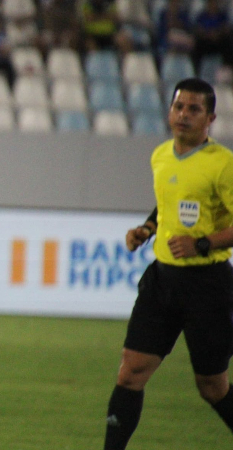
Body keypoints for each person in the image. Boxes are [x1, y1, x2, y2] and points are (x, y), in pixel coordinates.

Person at [104, 78, 233, 449]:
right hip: (161, 281)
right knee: (130, 373)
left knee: (212, 388)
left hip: (208, 286)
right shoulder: (160, 155)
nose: (184, 115)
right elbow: (169, 204)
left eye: (194, 109)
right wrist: (147, 227)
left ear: (210, 117)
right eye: (179, 107)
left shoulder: (222, 165)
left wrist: (202, 244)